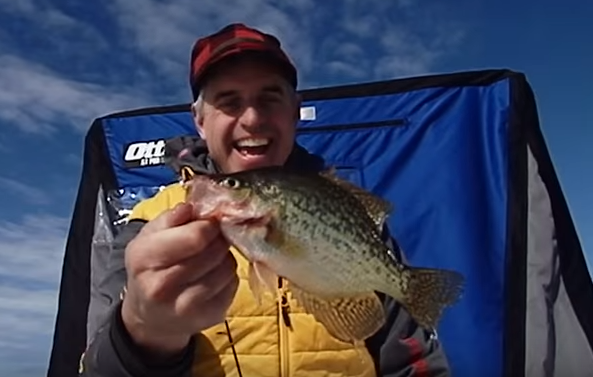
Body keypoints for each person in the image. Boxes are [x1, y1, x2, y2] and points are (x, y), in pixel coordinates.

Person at [80, 23, 452, 377]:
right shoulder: (147, 226)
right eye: (229, 101)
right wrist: (146, 329)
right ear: (199, 121)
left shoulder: (354, 217)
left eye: (269, 98)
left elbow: (413, 363)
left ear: (294, 111)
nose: (253, 118)